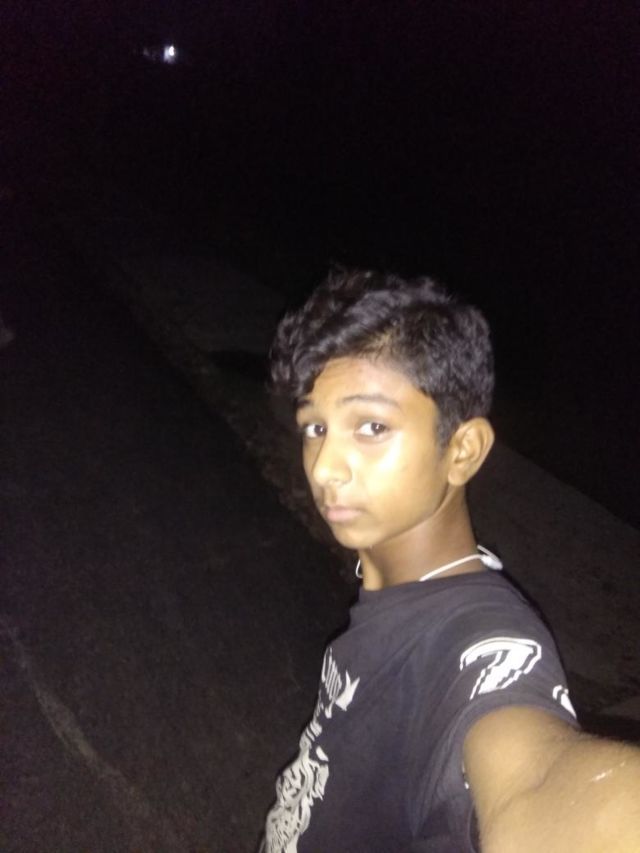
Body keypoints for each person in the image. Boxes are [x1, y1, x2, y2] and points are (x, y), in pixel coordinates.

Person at [259, 269, 640, 852]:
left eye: (372, 426)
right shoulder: (393, 590)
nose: (325, 466)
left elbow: (536, 781)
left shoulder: (479, 642)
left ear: (462, 451)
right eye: (315, 426)